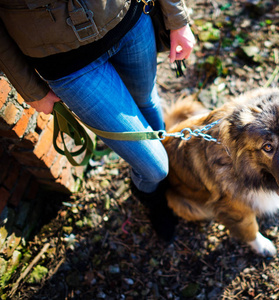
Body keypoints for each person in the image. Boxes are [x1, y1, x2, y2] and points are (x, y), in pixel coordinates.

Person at [0, 0, 195, 241]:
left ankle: (167, 184)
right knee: (154, 167)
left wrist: (178, 19)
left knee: (148, 102)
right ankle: (154, 200)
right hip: (66, 63)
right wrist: (30, 89)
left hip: (130, 21)